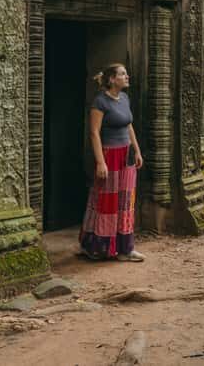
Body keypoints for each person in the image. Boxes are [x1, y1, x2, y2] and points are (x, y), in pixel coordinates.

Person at [79, 63, 145, 261]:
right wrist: (100, 162)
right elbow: (94, 133)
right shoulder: (100, 102)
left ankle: (125, 248)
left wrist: (138, 151)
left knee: (126, 201)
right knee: (106, 201)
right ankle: (97, 246)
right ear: (111, 80)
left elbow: (129, 126)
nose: (127, 77)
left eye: (126, 74)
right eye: (122, 74)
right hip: (110, 156)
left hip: (127, 156)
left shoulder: (124, 98)